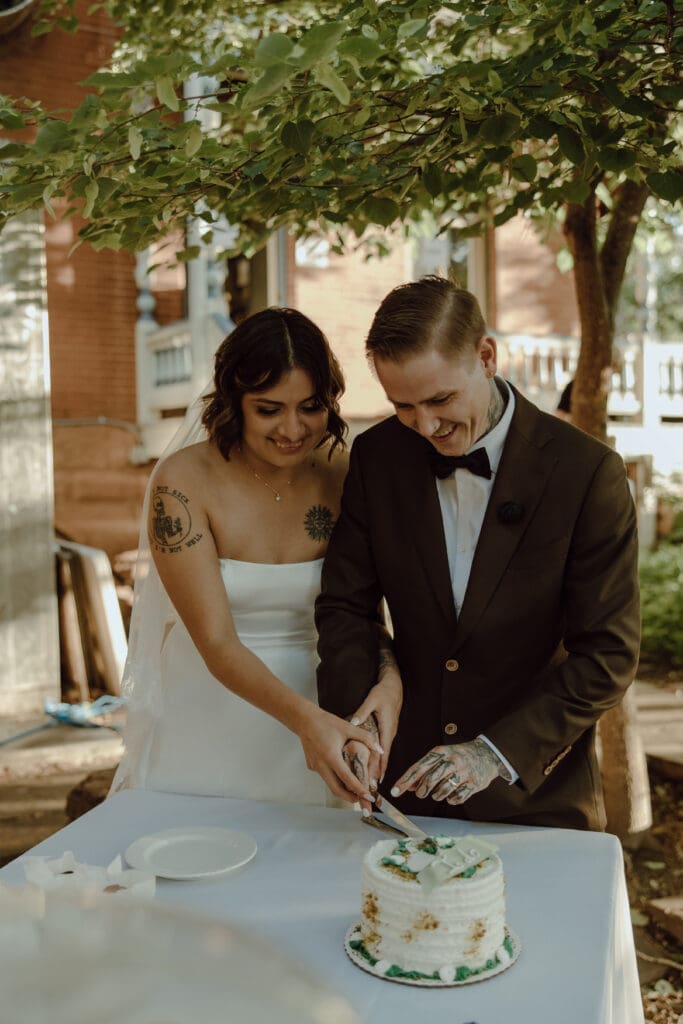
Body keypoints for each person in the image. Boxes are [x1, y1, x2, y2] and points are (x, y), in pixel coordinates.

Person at [316, 277, 640, 830]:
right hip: (404, 788)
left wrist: (493, 753)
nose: (426, 426)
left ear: (486, 356)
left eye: (441, 399)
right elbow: (346, 606)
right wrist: (362, 714)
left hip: (537, 797)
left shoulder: (588, 473)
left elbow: (608, 654)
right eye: (403, 406)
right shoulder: (377, 458)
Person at [111, 307, 385, 805]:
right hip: (212, 708)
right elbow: (215, 640)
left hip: (326, 702)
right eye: (269, 409)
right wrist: (306, 721)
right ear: (233, 401)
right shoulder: (183, 482)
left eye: (310, 406)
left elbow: (374, 608)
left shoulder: (346, 473)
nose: (293, 428)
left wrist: (378, 686)